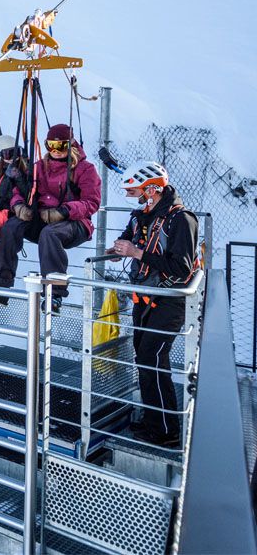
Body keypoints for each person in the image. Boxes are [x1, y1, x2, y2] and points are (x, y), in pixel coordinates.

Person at [110, 161, 198, 448]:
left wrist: (137, 252)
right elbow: (129, 239)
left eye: (135, 190)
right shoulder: (139, 217)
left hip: (170, 301)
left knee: (152, 359)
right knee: (144, 358)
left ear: (152, 190)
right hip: (144, 297)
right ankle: (154, 422)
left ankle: (167, 431)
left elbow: (182, 269)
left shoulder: (181, 219)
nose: (132, 196)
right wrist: (118, 250)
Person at [0, 124, 102, 308]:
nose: (55, 151)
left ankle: (54, 293)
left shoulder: (85, 169)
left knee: (50, 233)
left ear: (71, 145)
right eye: (50, 146)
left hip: (75, 223)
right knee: (12, 225)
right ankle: (0, 283)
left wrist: (64, 211)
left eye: (61, 146)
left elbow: (91, 202)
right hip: (42, 217)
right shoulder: (39, 167)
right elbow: (19, 191)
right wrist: (19, 206)